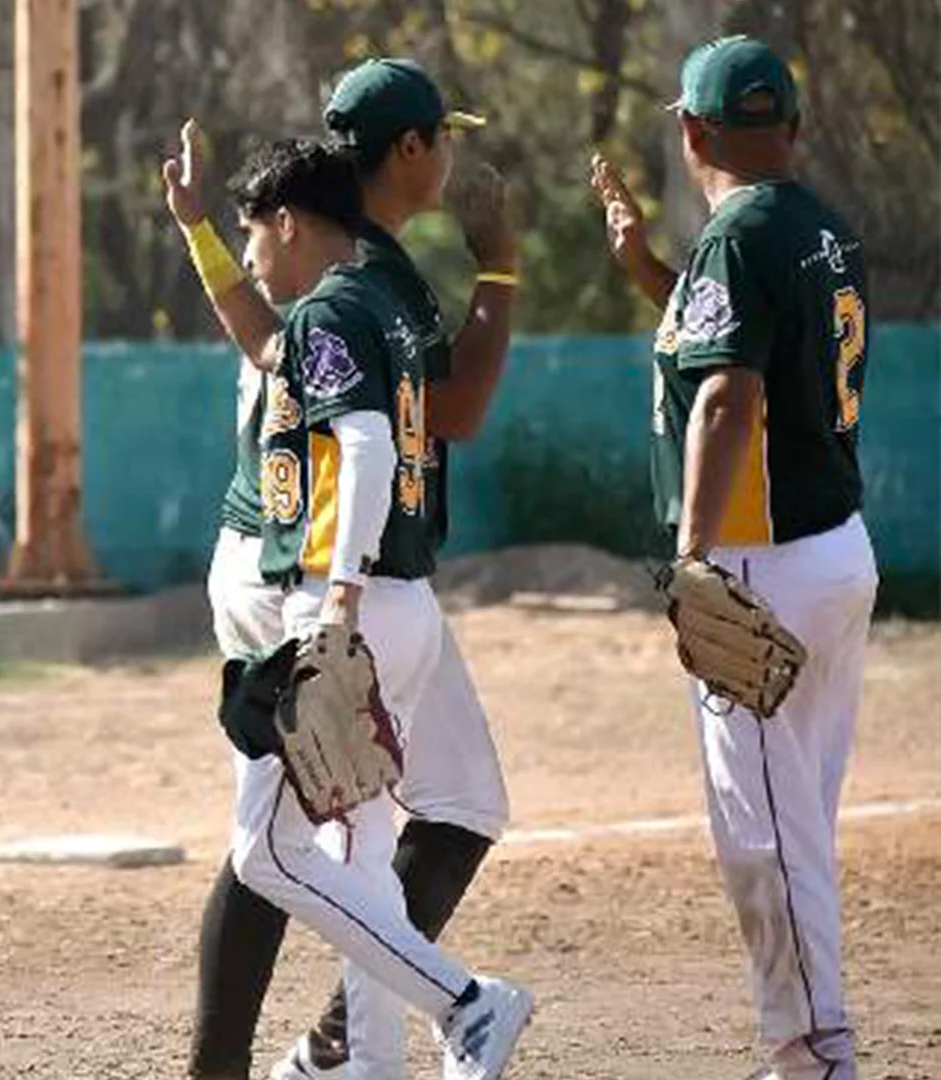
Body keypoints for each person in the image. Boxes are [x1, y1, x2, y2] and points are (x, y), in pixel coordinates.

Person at [164, 125, 531, 1080]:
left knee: (265, 855)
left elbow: (364, 447)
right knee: (362, 856)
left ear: (289, 222)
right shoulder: (382, 297)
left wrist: (336, 600)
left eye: (252, 232)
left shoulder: (333, 311)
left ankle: (467, 1001)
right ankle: (370, 1065)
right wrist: (200, 233)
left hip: (348, 604)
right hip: (397, 602)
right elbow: (270, 339)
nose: (250, 254)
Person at [590, 35, 875, 1080]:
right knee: (797, 820)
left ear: (692, 132)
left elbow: (727, 393)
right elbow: (740, 348)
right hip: (834, 554)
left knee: (762, 834)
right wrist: (648, 276)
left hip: (761, 563)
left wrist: (690, 558)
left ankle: (815, 1049)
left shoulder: (738, 236)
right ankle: (809, 1042)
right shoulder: (817, 227)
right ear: (791, 130)